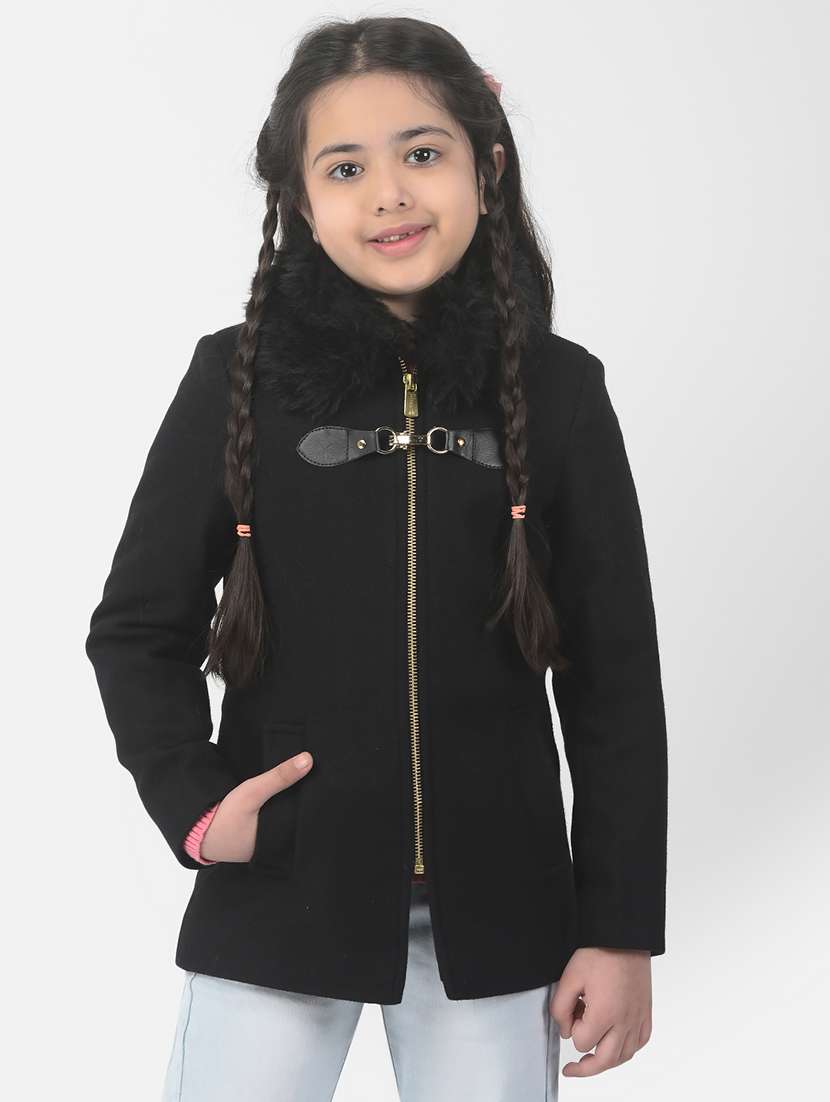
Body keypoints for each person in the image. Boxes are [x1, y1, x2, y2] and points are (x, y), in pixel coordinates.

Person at [85, 15, 668, 1102]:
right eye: (345, 167)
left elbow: (614, 679)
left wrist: (620, 927)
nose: (390, 195)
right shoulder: (236, 379)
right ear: (302, 201)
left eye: (422, 152)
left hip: (500, 911)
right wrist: (198, 805)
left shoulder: (560, 391)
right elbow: (136, 629)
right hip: (280, 885)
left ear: (486, 165)